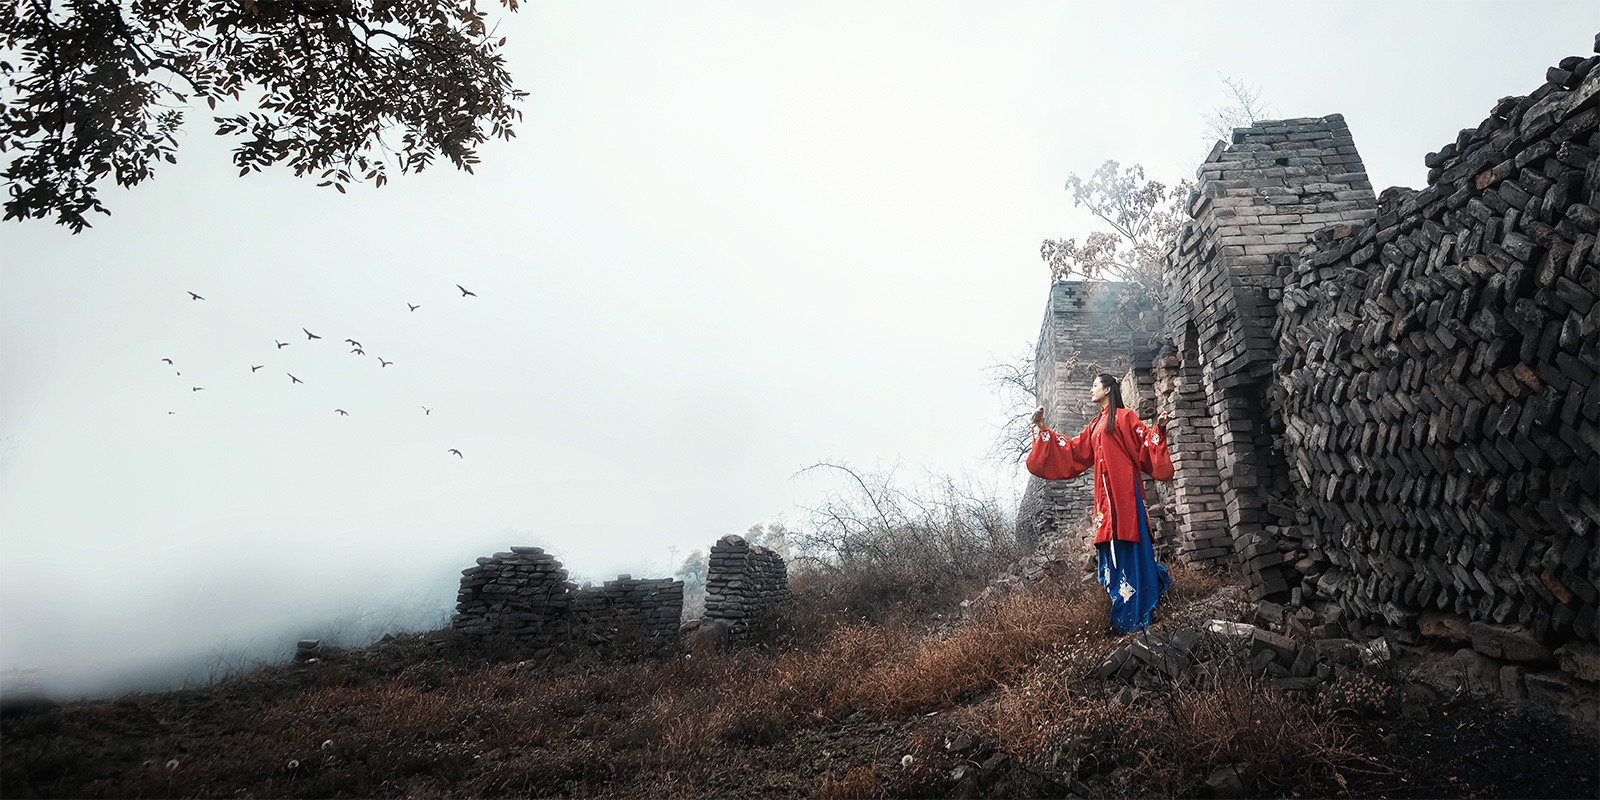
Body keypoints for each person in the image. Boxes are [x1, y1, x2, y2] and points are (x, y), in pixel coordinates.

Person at [1026, 373, 1174, 633]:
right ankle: (1127, 608)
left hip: (1126, 495)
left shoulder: (1126, 418)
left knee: (1132, 546)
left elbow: (1145, 441)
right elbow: (1072, 450)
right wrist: (1042, 429)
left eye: (1094, 385)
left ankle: (1142, 605)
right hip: (1105, 502)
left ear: (1108, 389)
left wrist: (1159, 430)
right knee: (1114, 552)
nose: (1090, 390)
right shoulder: (1094, 425)